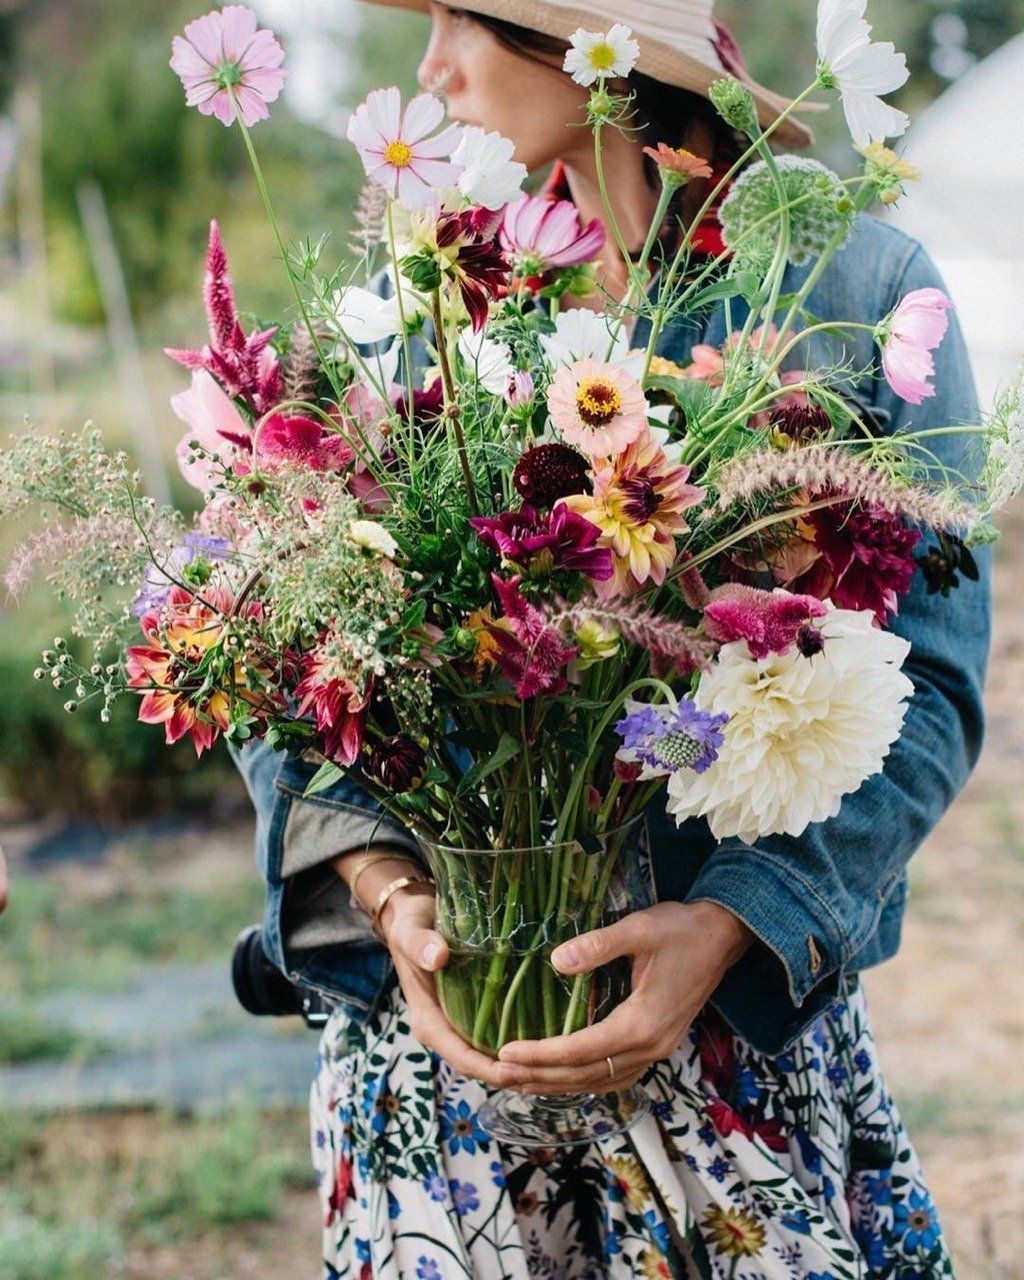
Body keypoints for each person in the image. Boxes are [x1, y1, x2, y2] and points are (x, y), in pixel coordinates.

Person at [231, 2, 990, 1275]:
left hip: (729, 1039)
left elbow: (937, 679)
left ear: (593, 50)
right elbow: (272, 645)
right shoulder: (404, 307)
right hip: (444, 1054)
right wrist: (390, 889)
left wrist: (733, 924)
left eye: (459, 22)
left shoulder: (850, 291)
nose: (431, 70)